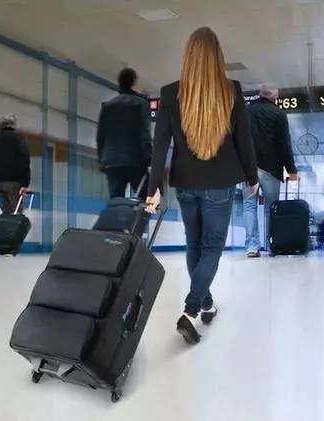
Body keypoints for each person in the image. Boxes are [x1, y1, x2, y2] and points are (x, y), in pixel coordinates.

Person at [145, 27, 259, 344]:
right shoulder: (231, 90)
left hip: (185, 181)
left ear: (188, 57)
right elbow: (245, 142)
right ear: (217, 57)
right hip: (220, 182)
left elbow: (160, 146)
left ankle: (206, 304)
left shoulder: (170, 93)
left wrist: (153, 187)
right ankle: (192, 309)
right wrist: (252, 178)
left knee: (194, 243)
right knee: (211, 248)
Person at [243, 84, 299, 258]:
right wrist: (291, 170)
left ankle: (252, 247)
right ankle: (271, 245)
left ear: (260, 94)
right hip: (271, 169)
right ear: (275, 97)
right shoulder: (279, 114)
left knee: (249, 206)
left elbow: (238, 140)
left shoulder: (246, 112)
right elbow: (284, 143)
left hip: (249, 168)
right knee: (271, 208)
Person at [97, 68, 152, 199]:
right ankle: (139, 213)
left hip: (112, 161)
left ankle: (117, 213)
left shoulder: (108, 106)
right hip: (135, 160)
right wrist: (149, 157)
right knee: (144, 200)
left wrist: (101, 159)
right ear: (133, 82)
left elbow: (100, 136)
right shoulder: (140, 104)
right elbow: (144, 134)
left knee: (115, 201)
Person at [0, 114, 31, 213]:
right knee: (17, 214)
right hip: (14, 183)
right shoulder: (19, 139)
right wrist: (25, 184)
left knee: (6, 214)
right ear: (14, 125)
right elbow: (25, 162)